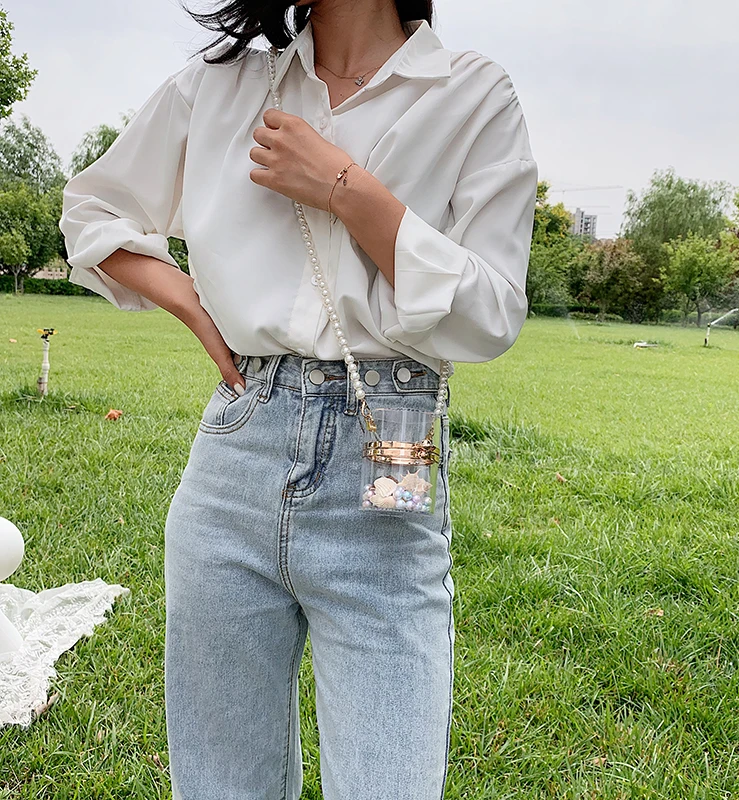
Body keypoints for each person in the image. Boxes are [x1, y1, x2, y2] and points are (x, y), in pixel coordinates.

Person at [59, 0, 537, 797]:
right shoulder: (223, 87)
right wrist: (191, 303)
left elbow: (491, 311)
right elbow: (92, 208)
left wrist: (345, 188)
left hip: (386, 454)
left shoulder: (470, 93)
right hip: (236, 455)